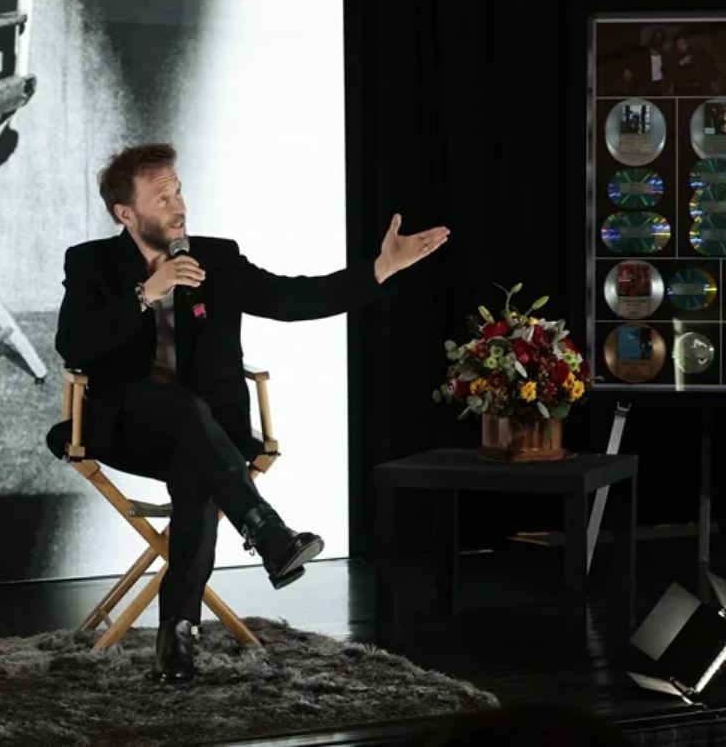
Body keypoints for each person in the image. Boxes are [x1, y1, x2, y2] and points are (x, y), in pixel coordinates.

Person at [47, 143, 449, 682]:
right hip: (124, 425)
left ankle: (177, 641)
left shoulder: (217, 258)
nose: (178, 205)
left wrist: (380, 269)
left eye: (179, 190)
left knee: (199, 466)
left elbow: (291, 299)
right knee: (182, 413)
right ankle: (266, 530)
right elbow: (75, 345)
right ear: (126, 214)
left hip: (205, 435)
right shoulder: (92, 262)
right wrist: (148, 291)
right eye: (161, 197)